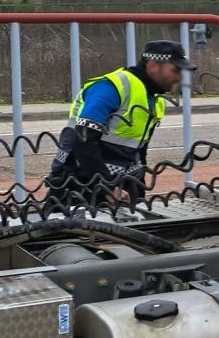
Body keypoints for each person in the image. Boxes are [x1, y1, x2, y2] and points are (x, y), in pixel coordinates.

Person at [48, 40, 192, 212]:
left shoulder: (155, 99)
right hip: (81, 183)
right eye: (175, 70)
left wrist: (138, 188)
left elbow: (139, 149)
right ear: (153, 65)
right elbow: (83, 140)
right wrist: (106, 185)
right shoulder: (112, 87)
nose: (179, 77)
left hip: (121, 185)